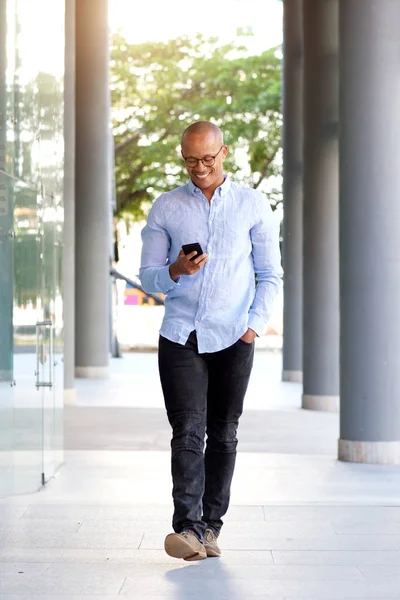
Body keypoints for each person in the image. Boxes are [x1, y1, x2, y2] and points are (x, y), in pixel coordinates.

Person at [139, 121, 283, 561]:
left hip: (233, 336)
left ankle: (211, 527)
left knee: (223, 434)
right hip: (181, 333)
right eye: (190, 160)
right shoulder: (166, 207)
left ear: (224, 153)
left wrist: (252, 326)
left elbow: (269, 274)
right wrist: (176, 270)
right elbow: (148, 277)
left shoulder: (252, 203)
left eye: (207, 159)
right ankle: (188, 528)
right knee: (187, 429)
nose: (199, 168)